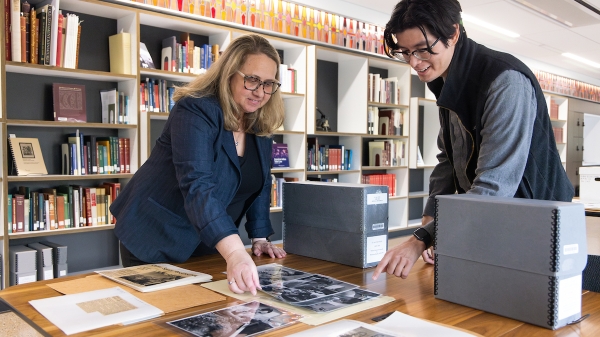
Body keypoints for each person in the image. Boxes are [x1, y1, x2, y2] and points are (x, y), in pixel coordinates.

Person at [373, 0, 574, 280]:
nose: (414, 63)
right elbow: (448, 159)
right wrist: (431, 223)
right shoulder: (446, 79)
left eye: (422, 49)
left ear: (453, 34)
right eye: (406, 52)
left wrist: (420, 240)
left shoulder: (505, 80)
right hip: (490, 218)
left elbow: (494, 187)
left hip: (536, 225)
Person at [110, 34, 287, 295]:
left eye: (269, 83)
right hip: (156, 237)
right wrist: (236, 251)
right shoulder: (195, 110)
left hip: (211, 243)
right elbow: (198, 185)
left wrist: (259, 237)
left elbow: (259, 183)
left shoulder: (259, 120)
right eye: (252, 80)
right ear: (229, 73)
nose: (260, 92)